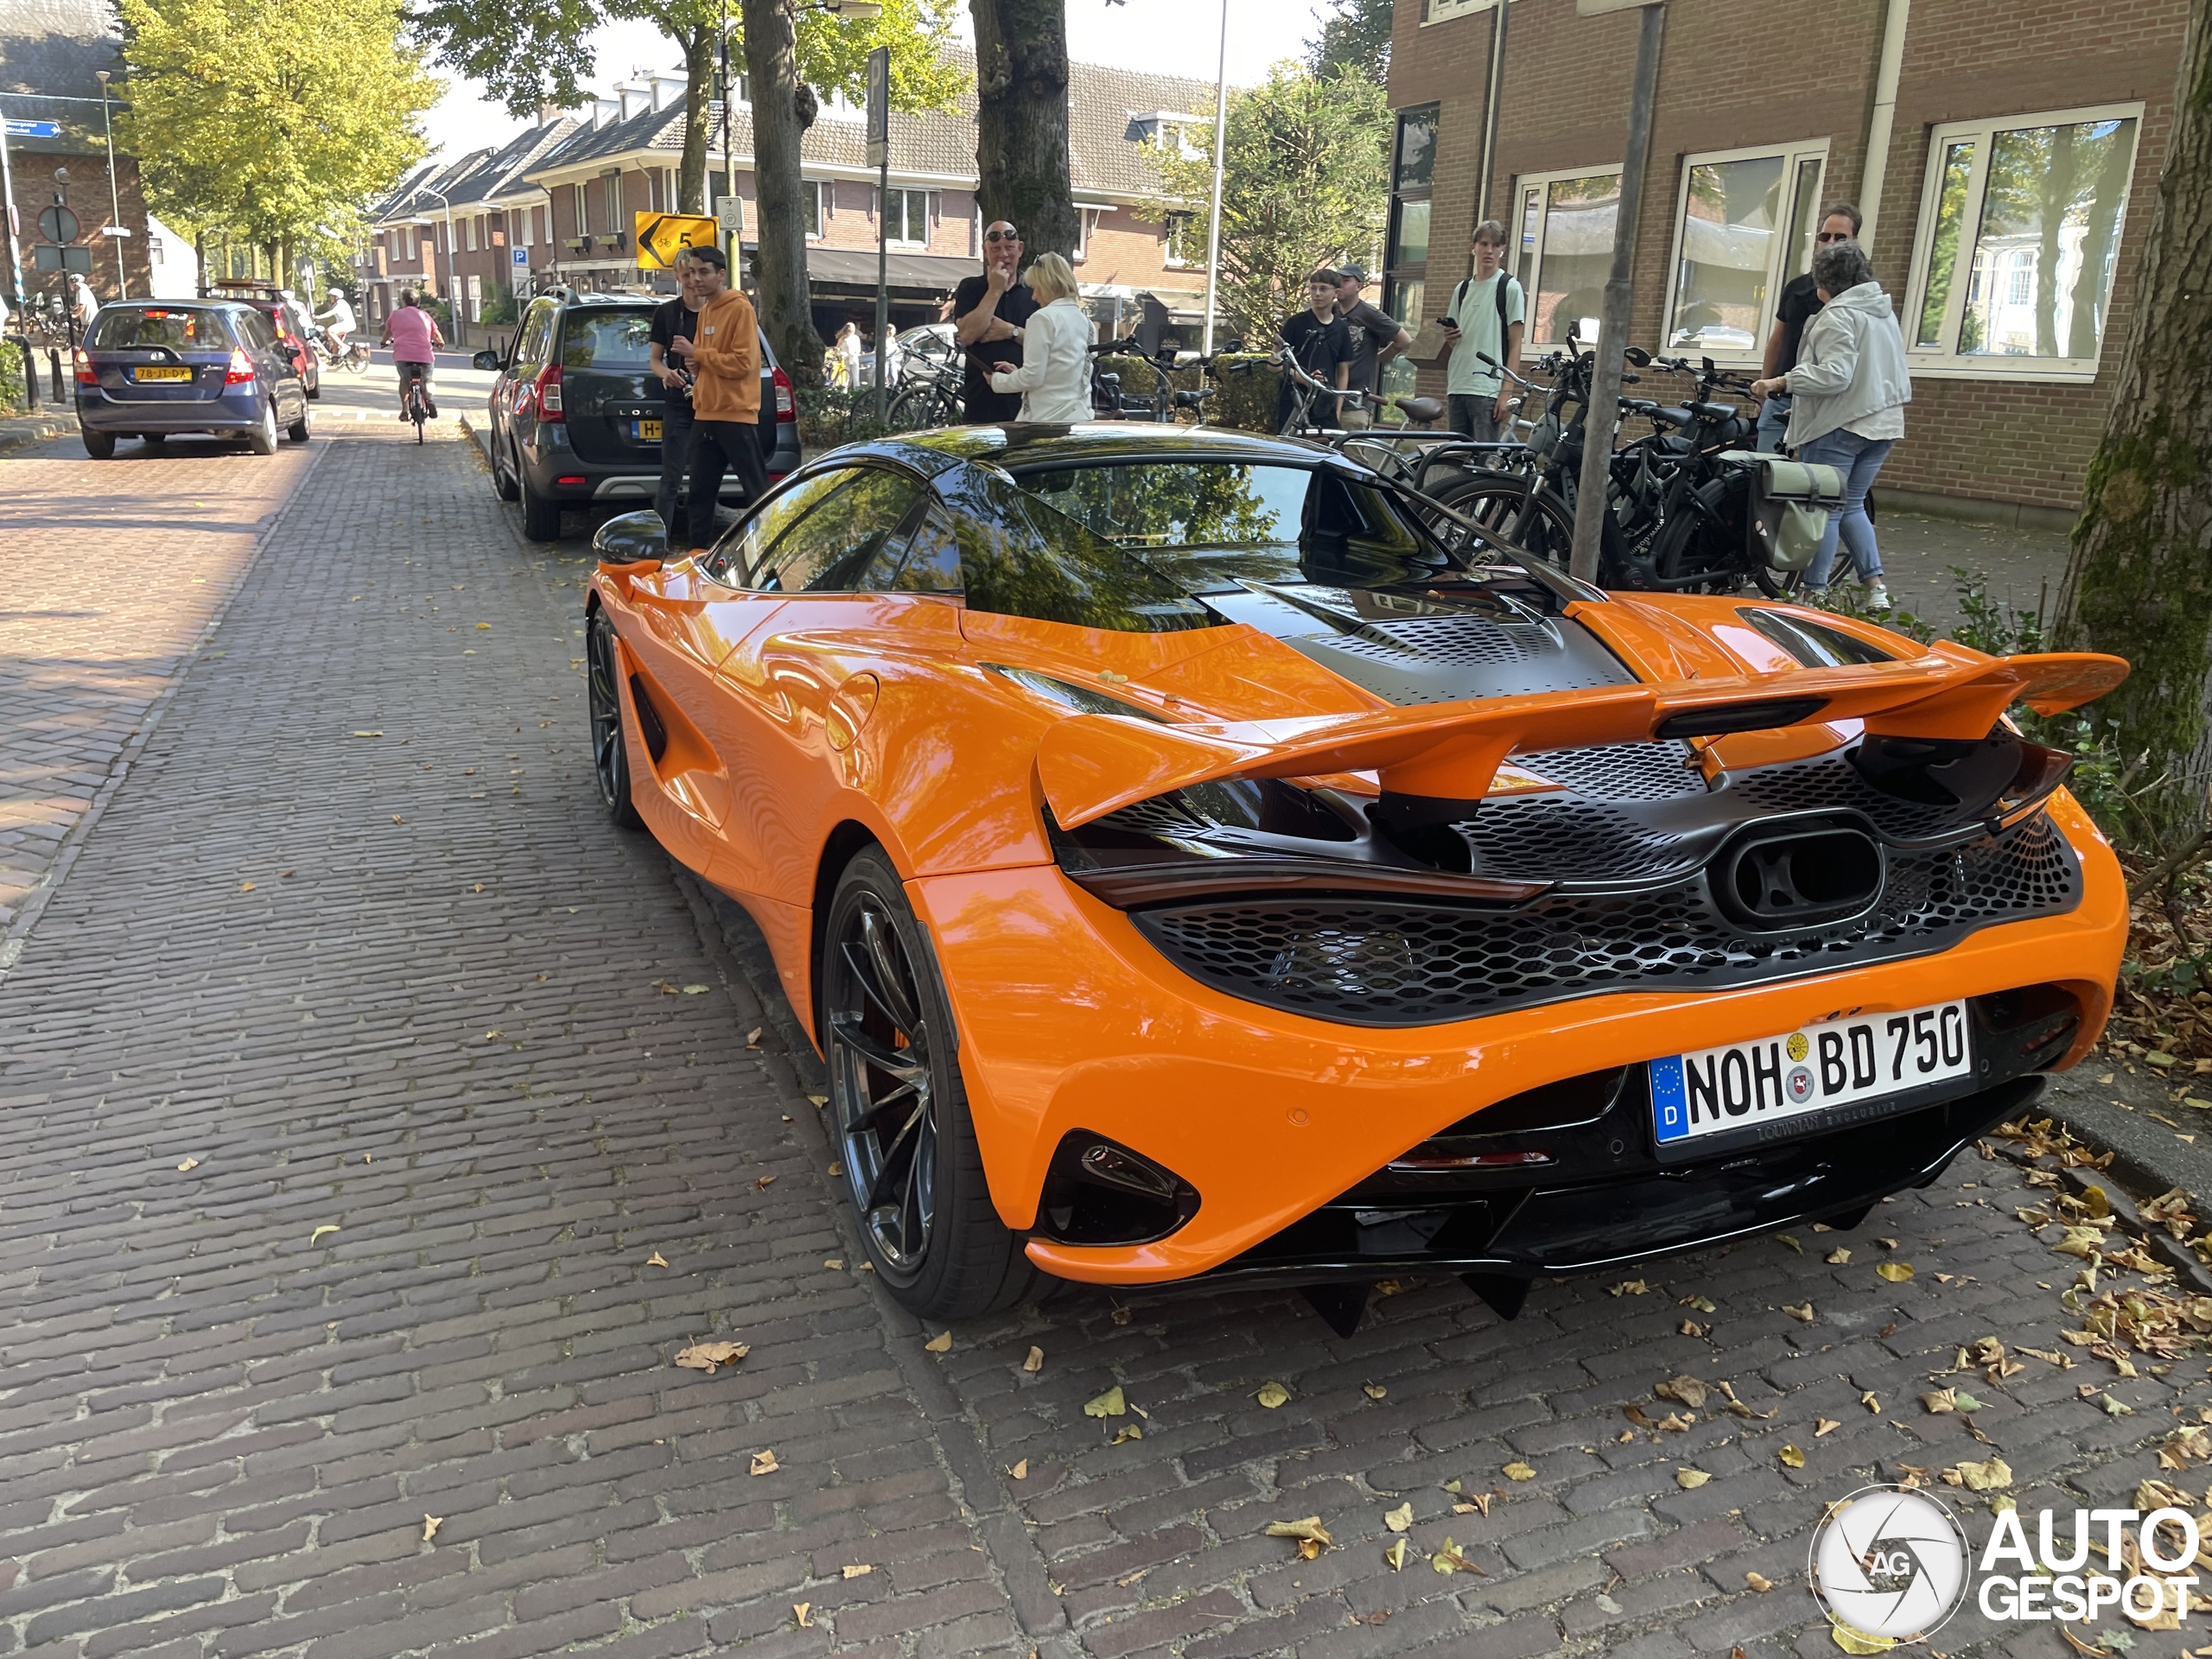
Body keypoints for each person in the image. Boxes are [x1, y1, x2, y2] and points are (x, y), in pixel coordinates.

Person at [1749, 239, 1910, 610]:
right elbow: (1871, 376)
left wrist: (1781, 382)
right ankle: (1876, 590)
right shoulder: (1883, 314)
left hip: (1840, 428)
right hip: (1883, 424)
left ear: (1826, 284)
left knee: (1823, 510)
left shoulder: (1838, 315)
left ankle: (1814, 593)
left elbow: (1835, 375)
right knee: (1852, 505)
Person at [666, 245, 766, 553]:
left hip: (735, 414)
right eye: (692, 272)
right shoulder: (706, 309)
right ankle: (697, 556)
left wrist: (698, 354)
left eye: (704, 272)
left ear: (721, 275)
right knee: (699, 492)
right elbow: (706, 360)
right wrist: (694, 362)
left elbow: (743, 364)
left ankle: (767, 552)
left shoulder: (739, 309)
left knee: (757, 493)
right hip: (705, 413)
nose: (696, 279)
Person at [1756, 202, 1861, 453]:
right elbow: (1778, 340)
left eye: (1840, 237)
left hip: (1827, 403)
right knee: (1764, 470)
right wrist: (1764, 385)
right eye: (1825, 236)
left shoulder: (1859, 294)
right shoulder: (1796, 287)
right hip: (1783, 396)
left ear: (1854, 240)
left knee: (1814, 479)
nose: (1831, 242)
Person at [1439, 220, 1525, 442]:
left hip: (1487, 388)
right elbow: (1456, 340)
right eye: (1484, 244)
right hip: (1458, 384)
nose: (1489, 251)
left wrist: (1506, 392)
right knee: (1457, 459)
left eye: (1496, 245)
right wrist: (1449, 338)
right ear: (1473, 247)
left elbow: (1516, 345)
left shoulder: (1509, 286)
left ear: (1502, 249)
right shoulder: (1462, 288)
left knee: (1483, 461)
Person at [988, 252, 1092, 424]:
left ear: (1047, 285)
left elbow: (1032, 377)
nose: (1034, 296)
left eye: (1036, 288)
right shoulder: (1086, 323)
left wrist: (997, 381)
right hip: (1080, 418)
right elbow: (1063, 373)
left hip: (1045, 421)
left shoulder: (1043, 318)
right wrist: (1017, 373)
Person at [951, 220, 1038, 423]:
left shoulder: (1035, 291)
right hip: (982, 401)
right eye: (995, 249)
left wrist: (1011, 331)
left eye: (1009, 248)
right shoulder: (971, 288)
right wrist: (995, 290)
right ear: (985, 250)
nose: (1003, 255)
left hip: (1027, 402)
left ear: (1020, 249)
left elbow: (1049, 342)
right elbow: (968, 335)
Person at [646, 252, 707, 540]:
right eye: (686, 276)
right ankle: (659, 546)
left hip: (713, 404)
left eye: (697, 274)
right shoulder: (667, 314)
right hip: (679, 405)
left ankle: (701, 547)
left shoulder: (720, 312)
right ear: (678, 278)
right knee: (671, 478)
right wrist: (666, 374)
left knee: (704, 478)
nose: (693, 281)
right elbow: (655, 360)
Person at [1274, 270, 1355, 434]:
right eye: (1313, 288)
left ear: (1336, 293)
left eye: (1323, 288)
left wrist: (1337, 410)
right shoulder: (1295, 323)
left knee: (1330, 454)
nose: (1317, 294)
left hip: (1325, 407)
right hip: (1293, 404)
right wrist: (1305, 380)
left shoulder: (1341, 328)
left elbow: (1342, 373)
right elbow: (1274, 364)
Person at [1332, 263, 1410, 430]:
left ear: (1358, 286)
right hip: (1328, 397)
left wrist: (1378, 358)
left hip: (1356, 402)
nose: (1340, 285)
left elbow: (1404, 340)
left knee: (1352, 453)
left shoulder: (1369, 314)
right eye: (1338, 280)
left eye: (1346, 281)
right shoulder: (1331, 312)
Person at [380, 289, 444, 421]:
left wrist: (383, 342)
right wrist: (441, 343)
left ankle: (405, 410)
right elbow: (436, 334)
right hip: (424, 356)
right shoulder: (425, 315)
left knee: (404, 380)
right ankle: (429, 399)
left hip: (403, 356)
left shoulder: (395, 315)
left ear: (403, 301)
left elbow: (387, 332)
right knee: (428, 379)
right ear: (418, 302)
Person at [315, 286, 355, 361]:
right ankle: (335, 358)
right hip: (344, 324)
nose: (330, 298)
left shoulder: (341, 303)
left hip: (347, 324)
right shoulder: (337, 304)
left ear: (336, 297)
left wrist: (319, 317)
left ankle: (344, 347)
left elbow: (331, 313)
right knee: (329, 334)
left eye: (331, 296)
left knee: (330, 331)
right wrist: (320, 320)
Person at [67, 273, 99, 338]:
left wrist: (75, 315)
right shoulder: (81, 290)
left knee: (88, 339)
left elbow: (82, 306)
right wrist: (72, 308)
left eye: (70, 283)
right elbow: (78, 304)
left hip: (90, 320)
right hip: (88, 319)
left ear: (74, 283)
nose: (69, 285)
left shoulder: (82, 290)